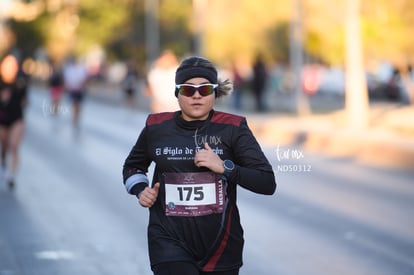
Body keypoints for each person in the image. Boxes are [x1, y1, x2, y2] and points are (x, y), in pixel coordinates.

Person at [122, 56, 276, 275]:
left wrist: (225, 167)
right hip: (168, 242)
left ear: (214, 93)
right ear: (177, 93)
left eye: (204, 90)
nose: (196, 96)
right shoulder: (156, 128)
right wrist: (140, 190)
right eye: (187, 90)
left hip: (221, 247)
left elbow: (267, 182)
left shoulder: (233, 128)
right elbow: (132, 167)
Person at [0, 54, 29, 189]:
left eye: (13, 65)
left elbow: (25, 99)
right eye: (7, 65)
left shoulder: (20, 81)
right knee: (4, 145)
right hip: (2, 119)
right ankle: (4, 162)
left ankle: (12, 175)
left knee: (14, 145)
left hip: (17, 117)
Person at [63, 56, 88, 128]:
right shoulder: (69, 70)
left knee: (78, 104)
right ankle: (74, 117)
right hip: (73, 89)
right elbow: (67, 80)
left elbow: (84, 79)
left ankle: (77, 117)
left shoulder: (81, 69)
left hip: (79, 89)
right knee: (74, 103)